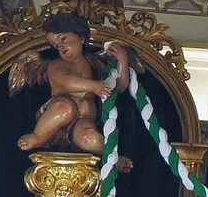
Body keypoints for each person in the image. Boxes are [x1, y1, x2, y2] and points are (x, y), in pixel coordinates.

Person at [9, 11, 130, 154]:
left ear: (81, 38)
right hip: (59, 113)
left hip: (84, 118)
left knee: (90, 138)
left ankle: (111, 157)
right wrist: (94, 86)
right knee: (66, 108)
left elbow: (118, 86)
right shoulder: (56, 64)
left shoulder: (95, 64)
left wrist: (122, 60)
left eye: (63, 39)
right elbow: (65, 81)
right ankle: (38, 136)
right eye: (55, 45)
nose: (60, 46)